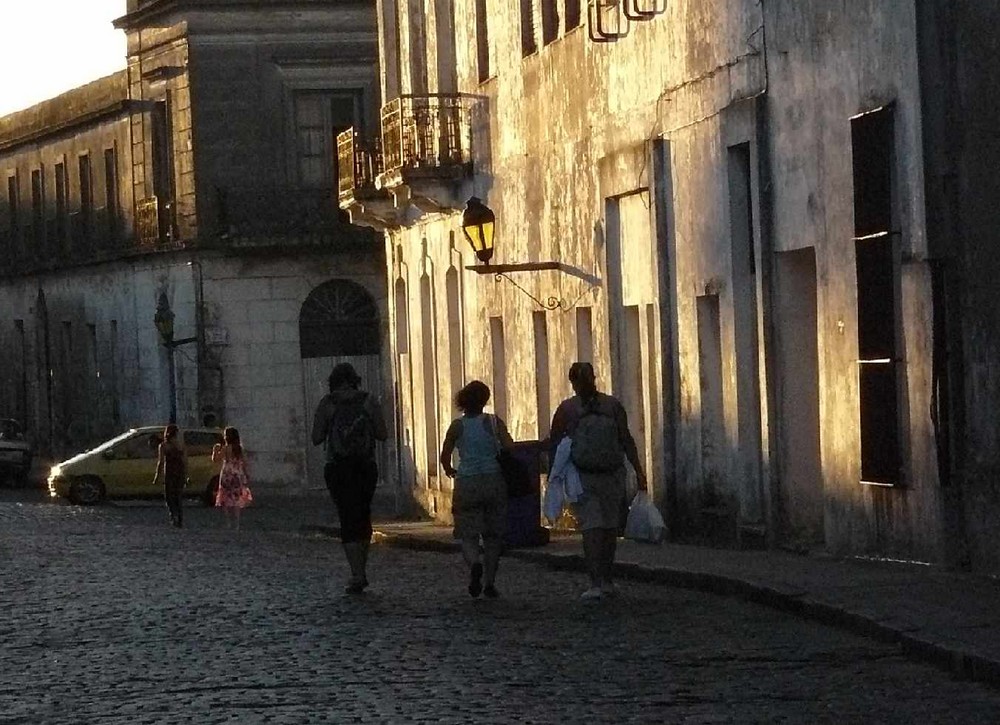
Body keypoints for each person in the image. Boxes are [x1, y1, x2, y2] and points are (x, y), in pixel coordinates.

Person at [549, 362, 648, 600]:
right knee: (609, 529)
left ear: (572, 383)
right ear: (594, 378)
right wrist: (639, 471)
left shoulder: (567, 409)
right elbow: (626, 439)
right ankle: (607, 579)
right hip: (613, 473)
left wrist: (556, 477)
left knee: (592, 529)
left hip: (583, 476)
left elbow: (555, 442)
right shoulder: (612, 405)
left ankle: (595, 582)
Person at [311, 362, 388, 594]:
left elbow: (316, 438)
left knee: (347, 517)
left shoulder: (327, 403)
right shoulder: (369, 401)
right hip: (365, 466)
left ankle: (356, 573)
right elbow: (382, 434)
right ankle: (361, 570)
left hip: (338, 468)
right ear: (355, 379)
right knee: (363, 515)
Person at [439, 380, 514, 599]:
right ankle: (489, 583)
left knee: (468, 535)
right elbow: (509, 447)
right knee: (493, 536)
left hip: (467, 482)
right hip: (493, 481)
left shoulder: (457, 426)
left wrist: (449, 470)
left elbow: (445, 455)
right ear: (485, 399)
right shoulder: (493, 422)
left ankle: (474, 564)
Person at [212, 427, 253, 531]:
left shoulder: (226, 448)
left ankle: (229, 522)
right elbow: (245, 463)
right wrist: (246, 474)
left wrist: (215, 450)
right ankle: (237, 523)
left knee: (225, 497)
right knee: (236, 498)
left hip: (227, 473)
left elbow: (216, 459)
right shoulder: (240, 449)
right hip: (237, 474)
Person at [152, 424, 187, 528]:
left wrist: (157, 476)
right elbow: (185, 461)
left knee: (169, 496)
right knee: (178, 496)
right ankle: (179, 517)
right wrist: (186, 475)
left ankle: (173, 514)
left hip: (170, 472)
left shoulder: (163, 446)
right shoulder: (181, 445)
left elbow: (161, 462)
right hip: (180, 471)